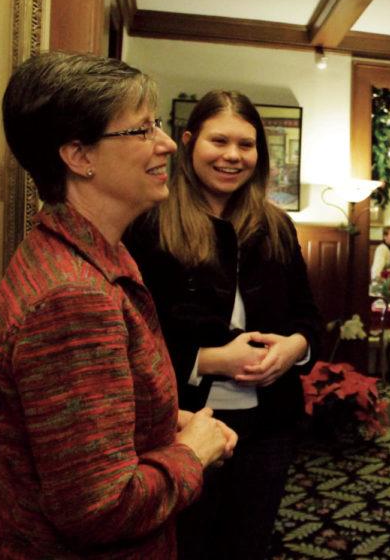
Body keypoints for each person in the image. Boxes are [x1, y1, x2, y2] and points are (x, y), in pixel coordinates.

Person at [0, 52, 236, 558]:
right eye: (142, 130)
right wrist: (193, 451)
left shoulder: (91, 251)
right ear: (79, 156)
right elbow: (99, 509)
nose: (167, 143)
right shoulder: (73, 297)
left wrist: (165, 424)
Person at [125, 90, 322, 559]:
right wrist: (208, 361)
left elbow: (309, 316)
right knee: (186, 545)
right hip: (181, 424)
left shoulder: (277, 225)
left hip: (269, 424)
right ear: (189, 142)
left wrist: (295, 347)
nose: (233, 156)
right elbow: (131, 337)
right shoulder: (149, 223)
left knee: (248, 542)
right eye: (219, 141)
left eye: (246, 145)